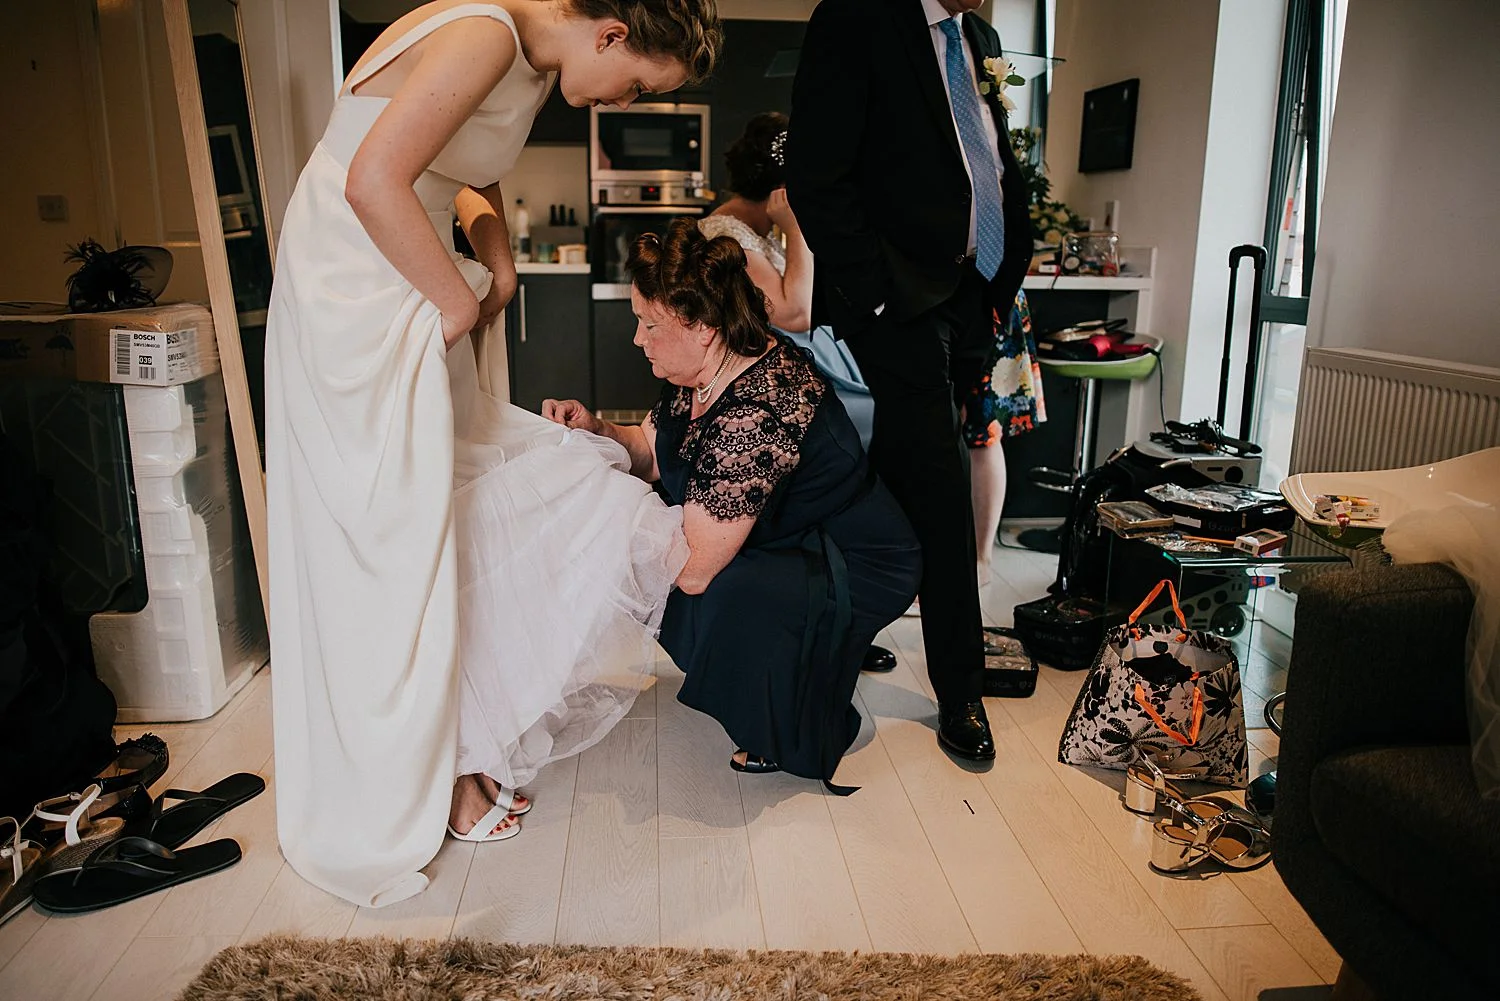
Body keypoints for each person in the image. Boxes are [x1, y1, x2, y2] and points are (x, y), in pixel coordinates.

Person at [264, 0, 721, 907]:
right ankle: (428, 776)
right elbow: (371, 179)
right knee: (392, 546)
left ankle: (454, 749)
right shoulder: (487, 34)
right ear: (610, 33)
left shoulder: (528, 55)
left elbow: (464, 179)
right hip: (357, 294)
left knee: (450, 524)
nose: (621, 102)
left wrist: (496, 258)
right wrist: (459, 300)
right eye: (635, 84)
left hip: (403, 282)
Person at [542, 220, 921, 788]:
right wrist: (596, 428)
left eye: (649, 324)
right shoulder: (703, 371)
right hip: (788, 533)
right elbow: (651, 449)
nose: (638, 339)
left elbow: (694, 569)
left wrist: (609, 534)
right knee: (678, 575)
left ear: (701, 326)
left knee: (713, 591)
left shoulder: (760, 407)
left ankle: (789, 715)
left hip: (857, 557)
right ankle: (788, 675)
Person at [786, 0, 1032, 761]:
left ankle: (840, 629)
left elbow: (985, 160)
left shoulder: (976, 37)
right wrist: (878, 296)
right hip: (896, 303)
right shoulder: (857, 18)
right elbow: (815, 175)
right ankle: (960, 687)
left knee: (882, 474)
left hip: (973, 296)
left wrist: (997, 285)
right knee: (941, 484)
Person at [699, 112, 895, 673]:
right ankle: (830, 622)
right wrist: (798, 227)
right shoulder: (726, 234)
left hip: (804, 370)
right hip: (778, 385)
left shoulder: (751, 231)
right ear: (784, 187)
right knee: (842, 476)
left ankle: (842, 619)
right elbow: (795, 313)